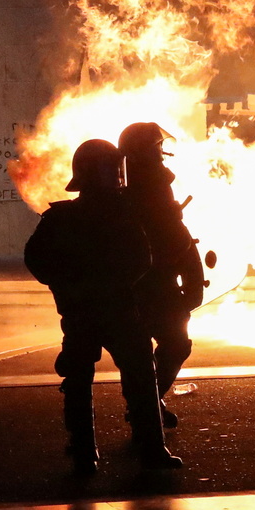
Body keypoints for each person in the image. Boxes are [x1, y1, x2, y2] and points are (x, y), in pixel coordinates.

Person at [23, 139, 182, 474]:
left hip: (93, 307)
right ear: (93, 172)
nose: (117, 175)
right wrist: (81, 284)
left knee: (109, 375)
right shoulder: (90, 214)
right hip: (110, 307)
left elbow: (142, 257)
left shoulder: (72, 216)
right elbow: (38, 259)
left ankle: (93, 451)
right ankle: (138, 449)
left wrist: (70, 286)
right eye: (110, 167)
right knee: (122, 375)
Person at [118, 122, 206, 430]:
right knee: (173, 345)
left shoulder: (126, 191)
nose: (162, 154)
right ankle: (148, 404)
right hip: (154, 287)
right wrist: (192, 280)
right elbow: (175, 236)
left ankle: (147, 404)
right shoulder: (149, 187)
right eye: (157, 148)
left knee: (142, 351)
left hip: (140, 287)